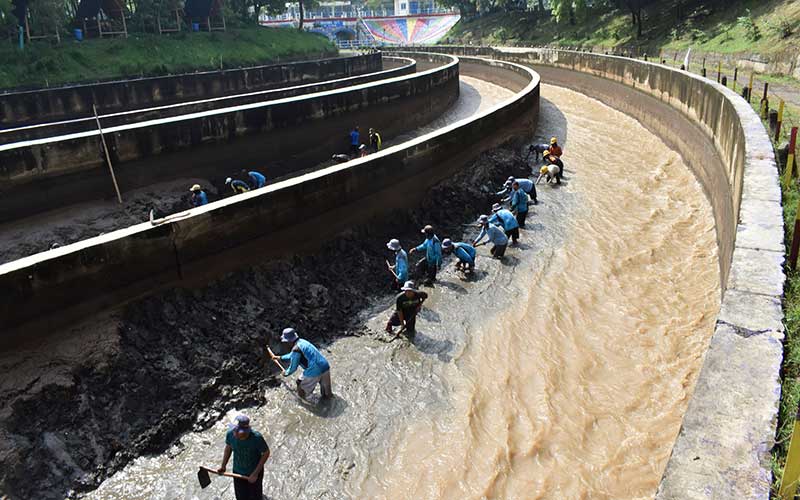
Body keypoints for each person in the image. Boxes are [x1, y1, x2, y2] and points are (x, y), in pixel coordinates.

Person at [218, 415, 270, 500]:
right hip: (237, 471)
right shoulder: (230, 434)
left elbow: (266, 453)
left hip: (254, 471)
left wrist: (255, 474)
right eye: (234, 429)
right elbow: (228, 448)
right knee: (241, 497)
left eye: (237, 431)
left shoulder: (256, 438)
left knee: (256, 497)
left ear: (245, 431)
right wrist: (223, 466)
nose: (234, 433)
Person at [272, 327, 332, 399]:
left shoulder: (296, 349)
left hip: (314, 370)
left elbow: (293, 368)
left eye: (285, 342)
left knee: (299, 384)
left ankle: (304, 400)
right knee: (327, 394)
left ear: (289, 341)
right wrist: (280, 358)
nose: (285, 344)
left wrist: (286, 373)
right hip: (325, 366)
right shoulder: (302, 342)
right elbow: (292, 355)